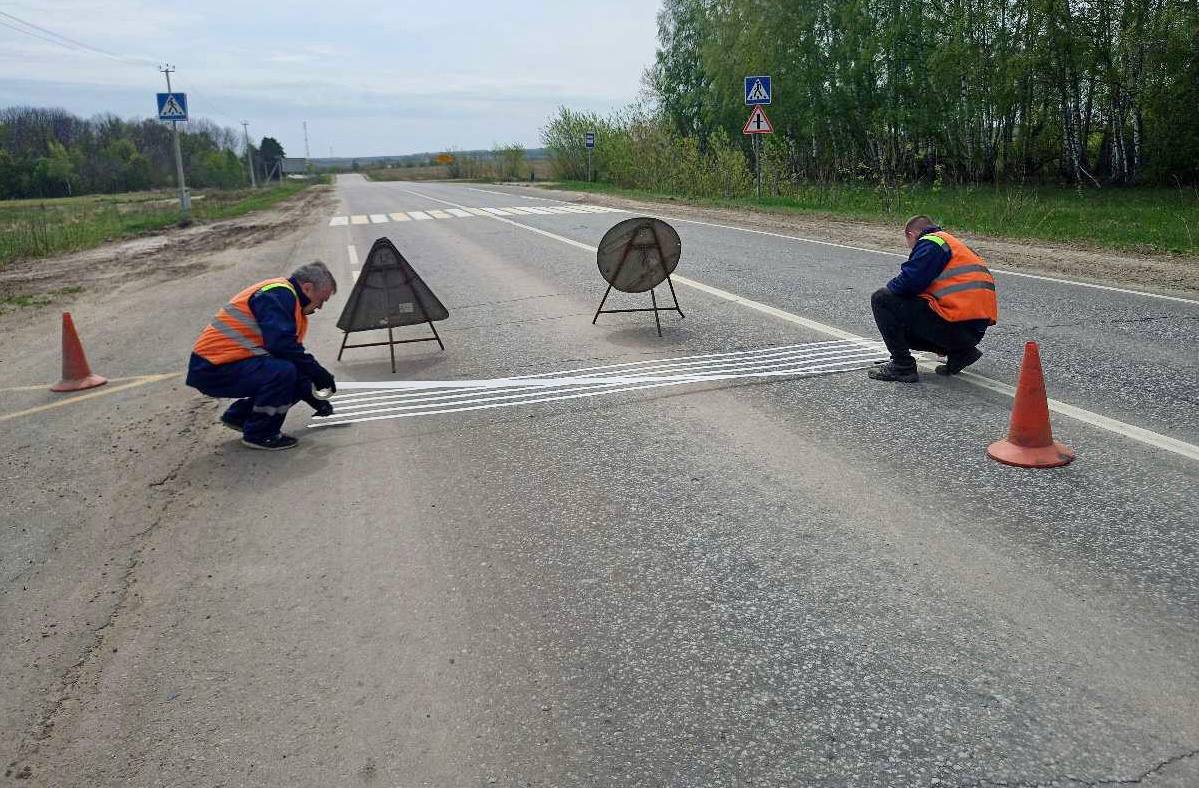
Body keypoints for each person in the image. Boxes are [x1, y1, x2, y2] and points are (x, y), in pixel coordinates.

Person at [186, 262, 338, 450]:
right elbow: (282, 346)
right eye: (321, 300)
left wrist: (315, 398)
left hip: (224, 364)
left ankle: (241, 417)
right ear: (307, 288)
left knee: (293, 369)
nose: (320, 307)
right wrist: (318, 373)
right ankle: (260, 434)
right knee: (283, 372)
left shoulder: (285, 296)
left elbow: (289, 353)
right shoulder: (278, 295)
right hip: (213, 368)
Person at [868, 215, 998, 382]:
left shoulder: (931, 243)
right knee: (906, 313)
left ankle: (902, 366)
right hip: (973, 331)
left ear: (911, 234)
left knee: (881, 299)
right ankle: (961, 352)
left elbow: (906, 284)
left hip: (955, 325)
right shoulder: (955, 245)